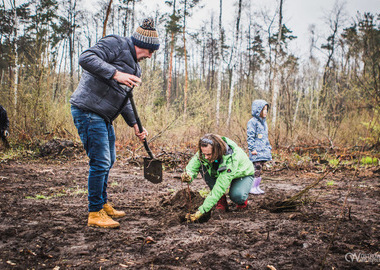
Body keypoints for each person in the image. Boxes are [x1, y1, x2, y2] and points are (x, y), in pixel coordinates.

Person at [70, 18, 160, 228]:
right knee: (100, 161)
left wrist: (135, 124)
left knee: (108, 161)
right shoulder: (115, 43)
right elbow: (86, 57)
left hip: (104, 116)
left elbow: (125, 98)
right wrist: (115, 74)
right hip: (88, 109)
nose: (150, 56)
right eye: (151, 51)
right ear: (144, 46)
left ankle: (102, 204)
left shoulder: (135, 69)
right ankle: (94, 212)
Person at [181, 134, 255, 222]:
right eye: (203, 153)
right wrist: (188, 175)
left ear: (218, 151)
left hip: (242, 174)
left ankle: (242, 202)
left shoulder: (231, 159)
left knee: (237, 196)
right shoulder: (204, 153)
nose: (206, 157)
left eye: (209, 154)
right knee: (202, 164)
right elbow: (192, 166)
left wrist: (202, 211)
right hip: (220, 172)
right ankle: (221, 200)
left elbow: (220, 186)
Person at [247, 99, 272, 195]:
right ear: (258, 110)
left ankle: (257, 186)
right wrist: (252, 148)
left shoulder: (264, 123)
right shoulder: (252, 122)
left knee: (260, 169)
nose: (265, 112)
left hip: (263, 151)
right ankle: (252, 187)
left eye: (266, 109)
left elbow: (265, 137)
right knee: (256, 168)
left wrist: (268, 147)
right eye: (263, 109)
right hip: (256, 151)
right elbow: (250, 136)